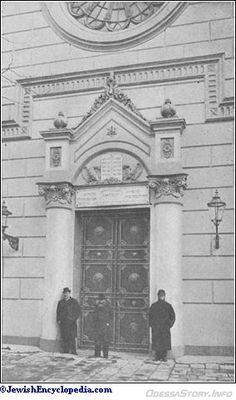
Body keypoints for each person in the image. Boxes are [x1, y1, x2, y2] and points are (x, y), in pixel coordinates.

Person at [149, 289, 175, 362]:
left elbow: (172, 316)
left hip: (165, 327)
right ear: (158, 296)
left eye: (162, 296)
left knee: (164, 342)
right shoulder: (154, 306)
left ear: (165, 296)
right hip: (156, 327)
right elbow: (150, 316)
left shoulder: (168, 306)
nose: (161, 297)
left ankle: (164, 356)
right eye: (160, 296)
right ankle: (157, 356)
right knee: (157, 342)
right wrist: (152, 325)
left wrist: (169, 324)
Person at [56, 287, 81, 355]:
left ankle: (73, 351)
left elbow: (78, 311)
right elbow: (58, 312)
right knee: (64, 336)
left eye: (67, 293)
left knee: (72, 337)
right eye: (64, 293)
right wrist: (58, 319)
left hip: (71, 322)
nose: (65, 295)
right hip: (64, 323)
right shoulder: (60, 302)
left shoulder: (74, 301)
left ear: (69, 294)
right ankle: (66, 350)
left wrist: (74, 318)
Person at [93, 293, 112, 359]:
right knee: (97, 340)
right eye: (100, 300)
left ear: (105, 300)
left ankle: (105, 355)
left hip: (105, 325)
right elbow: (94, 314)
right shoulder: (96, 305)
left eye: (102, 300)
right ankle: (97, 354)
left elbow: (111, 315)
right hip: (98, 325)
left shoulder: (108, 306)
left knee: (105, 340)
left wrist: (108, 323)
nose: (101, 301)